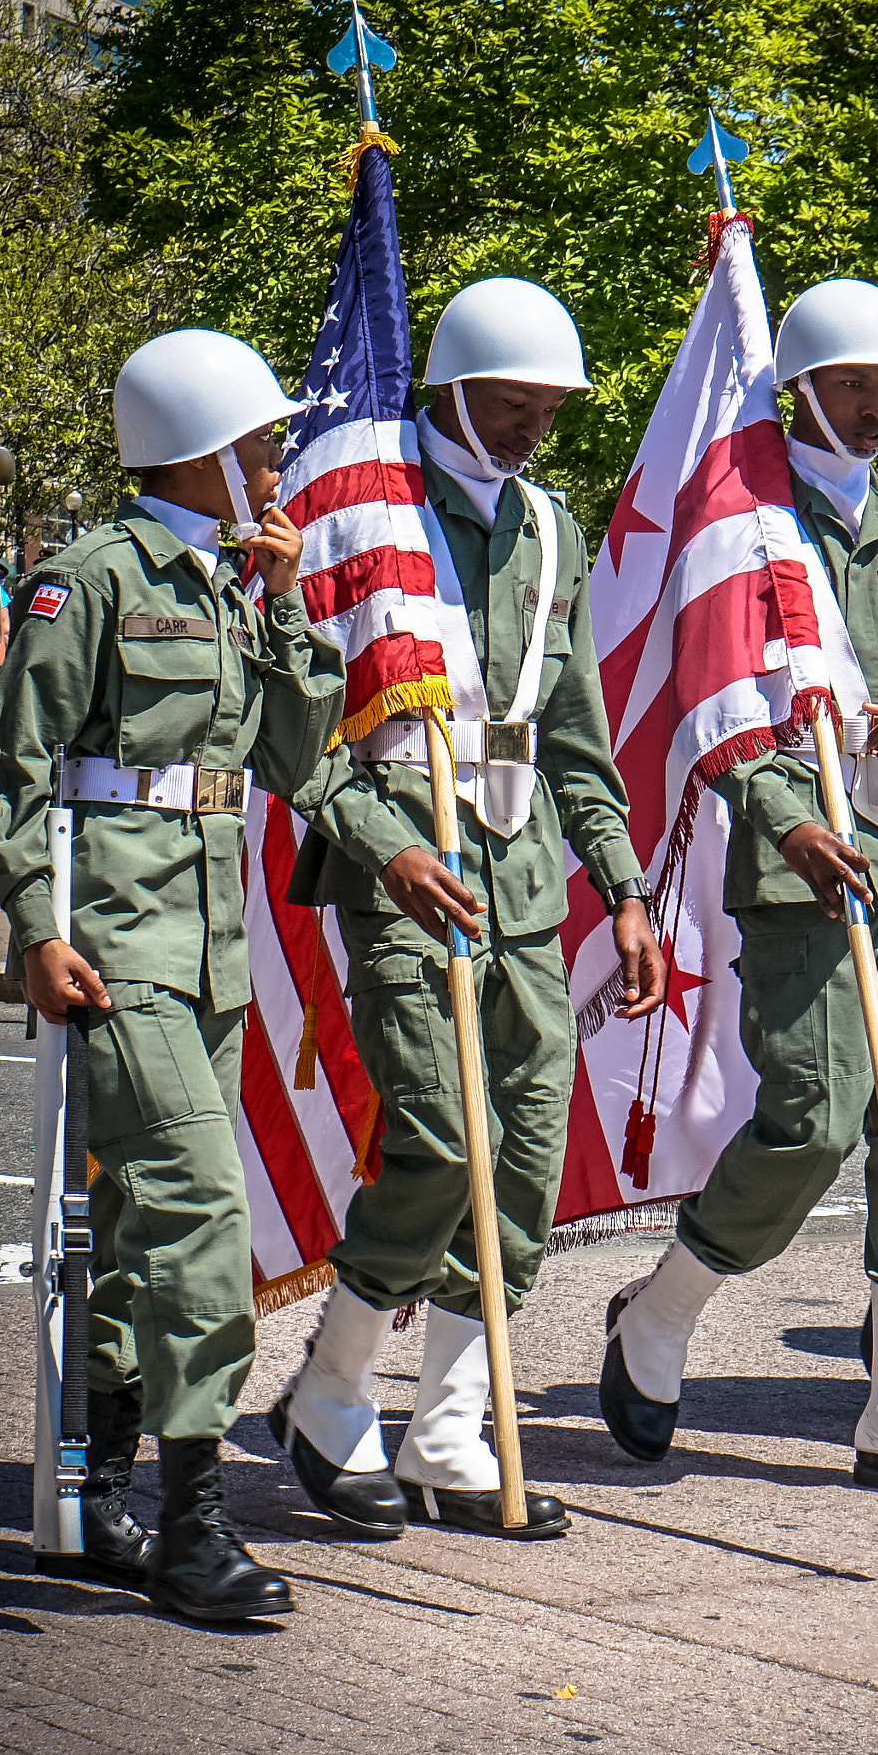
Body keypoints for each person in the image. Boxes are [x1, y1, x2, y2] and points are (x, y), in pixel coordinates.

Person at [597, 278, 878, 1504]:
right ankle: (659, 1313)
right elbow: (712, 690)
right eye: (856, 385)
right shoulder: (746, 514)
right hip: (801, 870)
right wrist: (785, 816)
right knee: (813, 1120)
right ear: (799, 389)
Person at [274, 277, 665, 1542]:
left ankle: (446, 1427)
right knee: (442, 1142)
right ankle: (331, 1388)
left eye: (547, 407)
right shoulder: (360, 516)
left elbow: (574, 740)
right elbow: (301, 731)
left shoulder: (548, 527)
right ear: (445, 386)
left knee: (527, 1159)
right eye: (509, 402)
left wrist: (620, 888)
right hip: (406, 876)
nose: (528, 425)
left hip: (519, 877)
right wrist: (383, 849)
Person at [0, 330, 347, 1621]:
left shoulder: (241, 588)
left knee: (139, 1234)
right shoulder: (91, 581)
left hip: (210, 950)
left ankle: (97, 1502)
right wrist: (31, 928)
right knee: (196, 1217)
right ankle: (192, 1530)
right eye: (257, 440)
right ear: (195, 450)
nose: (275, 456)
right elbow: (10, 778)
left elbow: (297, 755)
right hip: (116, 946)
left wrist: (289, 604)